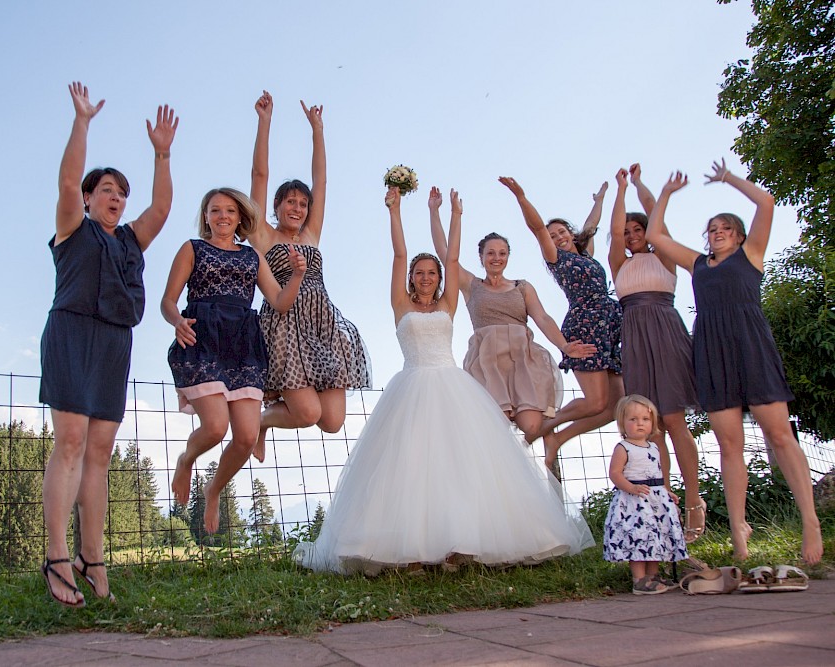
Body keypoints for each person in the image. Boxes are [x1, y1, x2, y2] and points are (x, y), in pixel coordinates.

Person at [292, 186, 594, 575]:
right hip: (411, 387)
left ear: (438, 278)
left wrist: (454, 215)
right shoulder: (400, 304)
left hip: (452, 387)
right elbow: (399, 254)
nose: (424, 277)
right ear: (411, 278)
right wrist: (394, 211)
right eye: (419, 273)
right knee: (411, 466)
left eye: (431, 273)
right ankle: (410, 550)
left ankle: (460, 545)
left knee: (460, 465)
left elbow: (452, 257)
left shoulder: (449, 302)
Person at [40, 83, 179, 607]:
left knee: (99, 452)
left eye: (122, 192)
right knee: (71, 441)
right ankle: (57, 557)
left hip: (115, 343)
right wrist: (82, 122)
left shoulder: (128, 240)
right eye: (106, 190)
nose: (117, 197)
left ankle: (92, 557)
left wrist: (161, 154)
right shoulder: (72, 226)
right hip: (73, 334)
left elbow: (161, 209)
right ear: (87, 198)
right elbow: (67, 178)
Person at [645, 161, 823, 565]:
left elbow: (767, 202)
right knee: (729, 444)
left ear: (739, 235)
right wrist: (667, 194)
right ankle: (739, 529)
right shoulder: (697, 265)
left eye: (725, 227)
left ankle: (809, 520)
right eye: (711, 229)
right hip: (712, 351)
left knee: (779, 435)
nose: (717, 232)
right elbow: (656, 235)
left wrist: (728, 179)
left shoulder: (751, 255)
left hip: (752, 346)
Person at [163, 188, 306, 535]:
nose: (223, 216)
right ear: (206, 216)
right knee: (215, 427)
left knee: (244, 436)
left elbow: (279, 301)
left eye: (229, 210)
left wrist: (298, 275)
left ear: (240, 217)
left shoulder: (252, 256)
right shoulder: (192, 249)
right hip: (203, 339)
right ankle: (186, 460)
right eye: (215, 210)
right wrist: (176, 321)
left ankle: (214, 491)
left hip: (243, 344)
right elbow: (168, 300)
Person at [248, 91, 371, 463]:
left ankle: (266, 418)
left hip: (322, 326)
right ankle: (263, 420)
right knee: (308, 413)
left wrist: (318, 130)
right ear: (276, 206)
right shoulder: (264, 235)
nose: (298, 208)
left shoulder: (311, 234)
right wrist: (265, 122)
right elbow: (260, 174)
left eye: (302, 204)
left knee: (332, 421)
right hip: (285, 325)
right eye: (290, 202)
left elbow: (322, 180)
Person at [429, 186, 596, 443]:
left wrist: (564, 345)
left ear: (508, 257)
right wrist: (438, 212)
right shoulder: (471, 285)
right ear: (482, 257)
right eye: (491, 253)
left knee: (532, 426)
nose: (497, 258)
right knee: (496, 426)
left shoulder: (523, 287)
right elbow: (445, 254)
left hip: (522, 360)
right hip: (488, 362)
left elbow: (542, 318)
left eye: (502, 253)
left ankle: (540, 449)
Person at [498, 177, 624, 476]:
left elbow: (591, 224)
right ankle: (545, 427)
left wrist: (601, 197)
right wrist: (521, 196)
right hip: (585, 327)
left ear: (571, 233)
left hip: (608, 329)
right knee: (596, 402)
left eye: (562, 232)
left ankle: (557, 438)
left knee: (615, 405)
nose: (557, 237)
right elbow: (537, 228)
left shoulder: (587, 254)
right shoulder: (558, 259)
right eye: (553, 235)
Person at [608, 164, 705, 542]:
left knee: (675, 420)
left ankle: (695, 502)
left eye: (639, 229)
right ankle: (662, 502)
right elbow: (615, 231)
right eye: (629, 231)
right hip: (634, 337)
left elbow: (657, 219)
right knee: (651, 428)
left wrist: (639, 184)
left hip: (665, 333)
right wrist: (620, 190)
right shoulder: (619, 264)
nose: (632, 235)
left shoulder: (664, 257)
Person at [603, 395, 687, 595]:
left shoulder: (655, 447)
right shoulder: (624, 448)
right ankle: (639, 579)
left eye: (645, 419)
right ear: (622, 423)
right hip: (635, 502)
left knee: (655, 536)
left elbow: (656, 473)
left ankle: (653, 575)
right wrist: (630, 488)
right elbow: (615, 473)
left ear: (653, 422)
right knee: (639, 537)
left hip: (655, 500)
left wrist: (666, 491)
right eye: (633, 419)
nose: (639, 423)